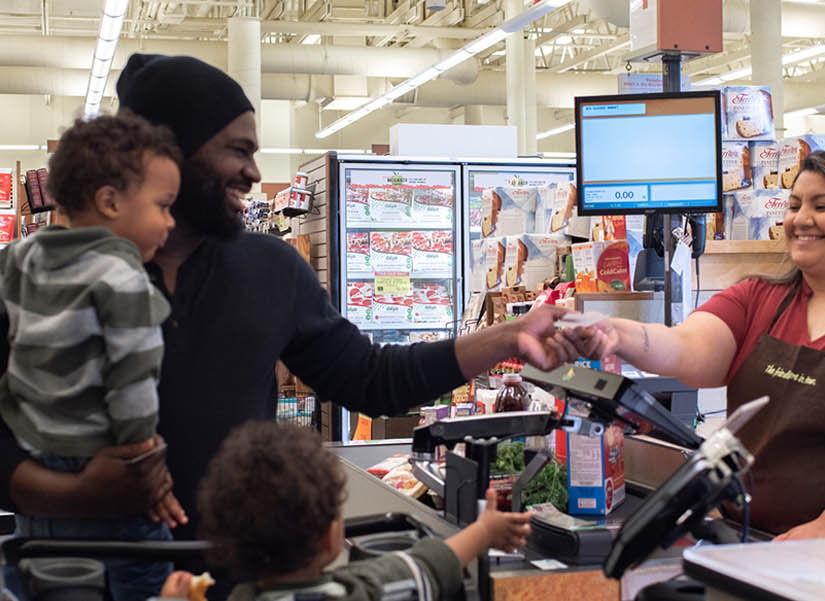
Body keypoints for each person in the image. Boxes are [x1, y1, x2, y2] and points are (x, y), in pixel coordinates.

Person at [0, 54, 570, 597]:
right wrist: (80, 495)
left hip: (242, 586)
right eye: (238, 150)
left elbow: (372, 379)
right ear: (171, 150)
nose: (253, 172)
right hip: (71, 574)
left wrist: (506, 337)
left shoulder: (268, 268)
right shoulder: (35, 277)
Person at [560, 151, 825, 569]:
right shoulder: (760, 298)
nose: (801, 218)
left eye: (822, 206)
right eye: (794, 206)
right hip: (769, 551)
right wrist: (614, 332)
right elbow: (685, 347)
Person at [0, 113, 187, 601]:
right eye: (163, 206)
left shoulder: (19, 258)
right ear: (109, 201)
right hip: (111, 475)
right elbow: (133, 383)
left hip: (37, 466)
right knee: (148, 576)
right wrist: (147, 468)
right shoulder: (124, 280)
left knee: (44, 577)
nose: (170, 222)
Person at [158, 421, 531, 601]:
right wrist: (485, 531)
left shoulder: (238, 597)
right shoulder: (360, 593)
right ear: (328, 539)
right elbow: (429, 563)